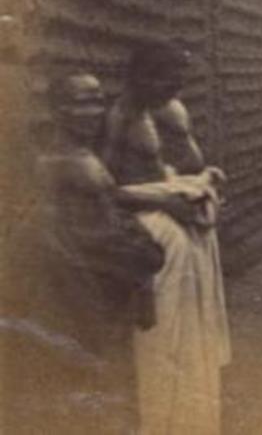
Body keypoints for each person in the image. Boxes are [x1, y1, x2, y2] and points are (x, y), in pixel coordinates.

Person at [103, 41, 230, 435]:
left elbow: (182, 164)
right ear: (140, 76)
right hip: (157, 238)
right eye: (167, 82)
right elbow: (108, 189)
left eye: (179, 83)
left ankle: (194, 418)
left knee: (193, 336)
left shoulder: (167, 111)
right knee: (164, 336)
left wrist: (202, 179)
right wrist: (166, 199)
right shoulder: (118, 119)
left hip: (185, 231)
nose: (174, 91)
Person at [34, 73, 166, 434]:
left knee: (119, 390)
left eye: (96, 101)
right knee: (103, 393)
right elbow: (68, 241)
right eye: (80, 102)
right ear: (57, 109)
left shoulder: (85, 156)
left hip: (113, 292)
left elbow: (112, 220)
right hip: (91, 296)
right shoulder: (56, 165)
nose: (92, 111)